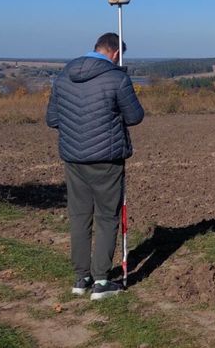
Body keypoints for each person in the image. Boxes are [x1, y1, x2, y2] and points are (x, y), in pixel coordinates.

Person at [46, 32, 145, 300]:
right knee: (106, 217)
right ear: (115, 53)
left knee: (79, 217)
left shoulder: (64, 75)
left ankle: (81, 278)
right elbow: (135, 116)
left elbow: (52, 119)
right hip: (107, 159)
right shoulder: (117, 78)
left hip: (73, 159)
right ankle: (101, 281)